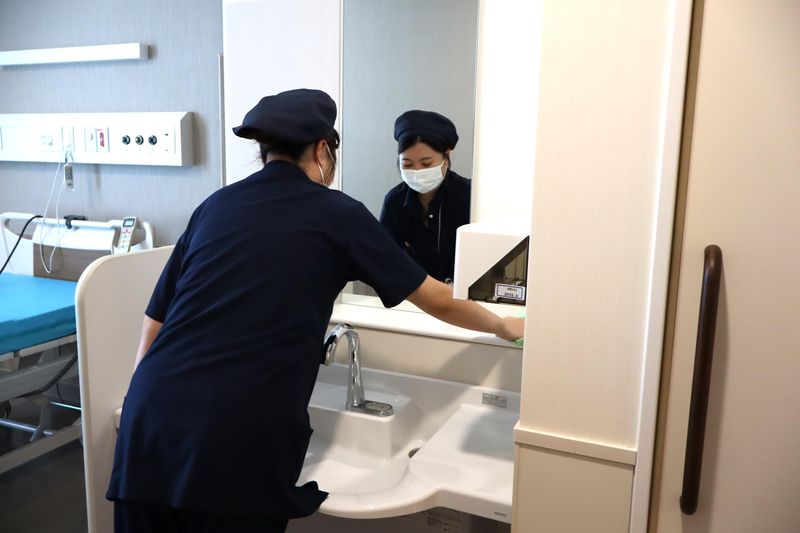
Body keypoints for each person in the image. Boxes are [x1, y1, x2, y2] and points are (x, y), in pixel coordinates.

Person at [107, 89, 523, 533]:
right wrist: (503, 325)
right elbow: (436, 299)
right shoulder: (339, 214)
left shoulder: (216, 205)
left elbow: (156, 316)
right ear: (324, 149)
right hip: (235, 434)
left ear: (264, 151)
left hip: (150, 416)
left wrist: (139, 400)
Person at [380, 110, 471, 283]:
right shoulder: (394, 201)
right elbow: (385, 260)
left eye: (426, 163)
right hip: (410, 297)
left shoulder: (469, 197)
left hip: (461, 296)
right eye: (407, 164)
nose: (417, 171)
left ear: (446, 156)